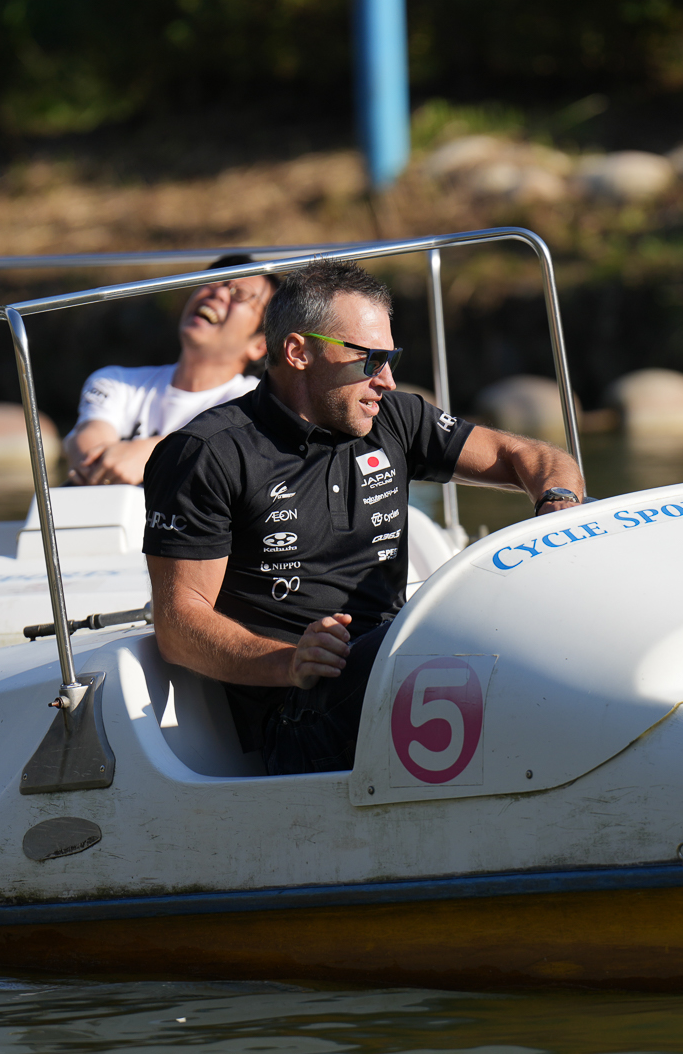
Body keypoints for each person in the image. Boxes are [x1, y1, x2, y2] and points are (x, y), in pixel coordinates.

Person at [140, 259, 584, 774]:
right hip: (297, 714)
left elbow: (528, 457)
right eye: (370, 359)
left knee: (518, 622)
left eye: (391, 356)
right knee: (490, 652)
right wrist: (289, 662)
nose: (388, 380)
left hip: (400, 661)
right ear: (298, 352)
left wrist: (559, 506)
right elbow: (177, 626)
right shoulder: (208, 452)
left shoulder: (393, 417)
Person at [63, 253, 275, 486]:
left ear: (260, 345)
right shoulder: (113, 381)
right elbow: (89, 442)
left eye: (240, 293)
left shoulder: (259, 405)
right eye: (215, 280)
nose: (219, 292)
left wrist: (150, 454)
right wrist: (88, 450)